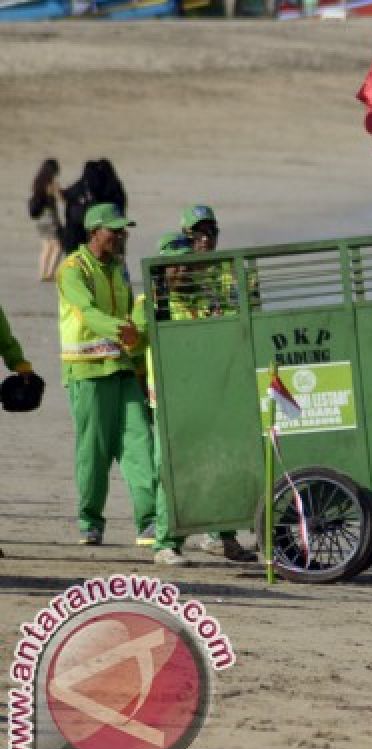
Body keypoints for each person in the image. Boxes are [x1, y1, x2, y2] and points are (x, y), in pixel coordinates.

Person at [132, 234, 257, 565]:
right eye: (178, 267)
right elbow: (134, 337)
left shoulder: (205, 301)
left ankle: (225, 537)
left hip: (210, 398)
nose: (184, 274)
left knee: (221, 466)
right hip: (171, 403)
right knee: (172, 472)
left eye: (190, 267)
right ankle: (165, 543)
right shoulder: (151, 303)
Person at [56, 202, 157, 551]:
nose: (120, 235)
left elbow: (131, 313)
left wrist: (139, 329)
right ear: (94, 232)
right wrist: (120, 330)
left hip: (122, 369)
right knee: (94, 452)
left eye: (123, 229)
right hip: (86, 372)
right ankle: (90, 521)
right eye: (114, 230)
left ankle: (149, 523)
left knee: (140, 445)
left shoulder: (119, 268)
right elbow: (86, 311)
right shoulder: (72, 269)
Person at [29, 158, 64, 282]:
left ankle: (42, 273)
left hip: (39, 218)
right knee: (59, 245)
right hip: (49, 217)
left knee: (46, 246)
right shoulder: (51, 183)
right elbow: (61, 198)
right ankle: (50, 273)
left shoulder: (37, 182)